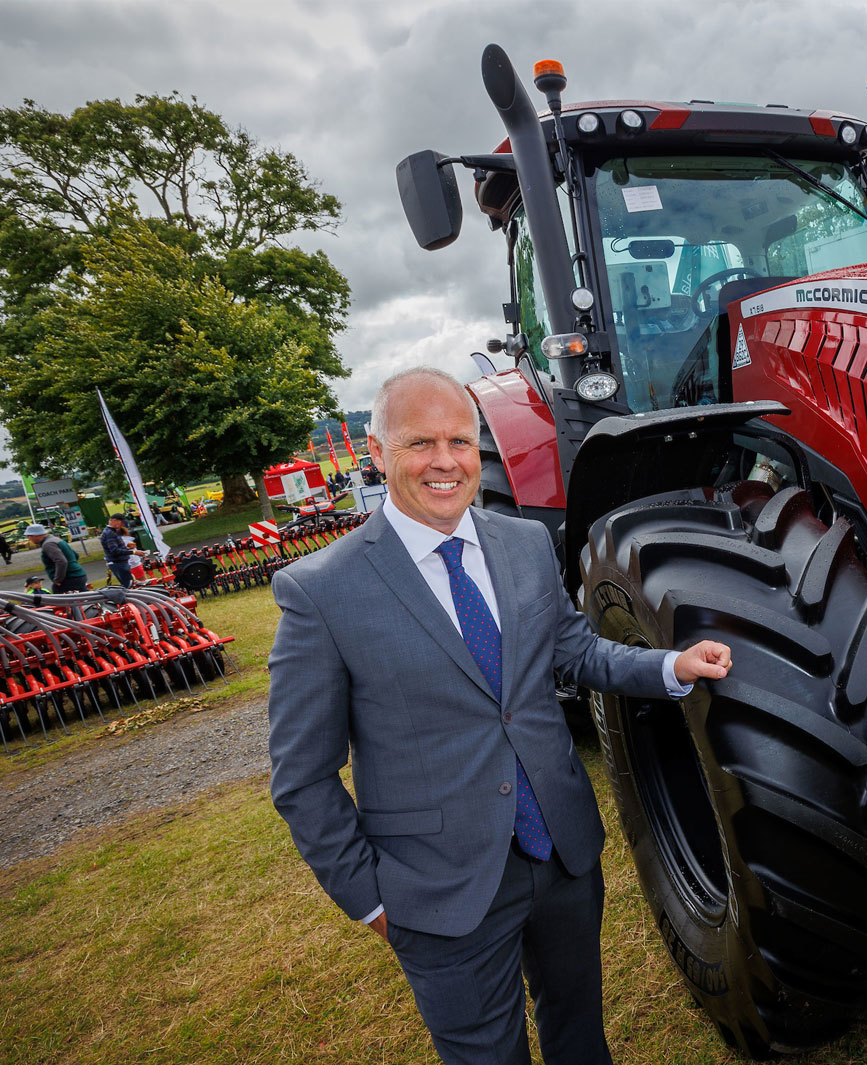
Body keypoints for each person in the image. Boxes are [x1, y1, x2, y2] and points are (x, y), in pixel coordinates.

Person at [267, 367, 732, 1065]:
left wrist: (671, 666)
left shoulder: (522, 543)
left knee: (580, 1036)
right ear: (376, 451)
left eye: (460, 440)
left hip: (562, 855)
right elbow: (303, 777)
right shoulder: (320, 591)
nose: (446, 461)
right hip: (439, 888)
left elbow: (576, 651)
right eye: (421, 443)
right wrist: (371, 900)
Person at [25, 522, 89, 593]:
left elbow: (61, 561)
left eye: (29, 536)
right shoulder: (56, 540)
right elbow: (75, 555)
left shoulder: (48, 544)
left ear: (36, 535)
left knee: (58, 596)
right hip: (79, 574)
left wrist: (58, 579)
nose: (29, 539)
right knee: (85, 596)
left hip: (69, 578)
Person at [99, 513, 146, 588]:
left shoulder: (111, 532)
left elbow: (115, 548)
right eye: (122, 522)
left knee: (131, 585)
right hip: (118, 563)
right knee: (129, 586)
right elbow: (115, 551)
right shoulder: (109, 533)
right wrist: (134, 552)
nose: (123, 525)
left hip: (120, 563)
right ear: (114, 521)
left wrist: (127, 548)